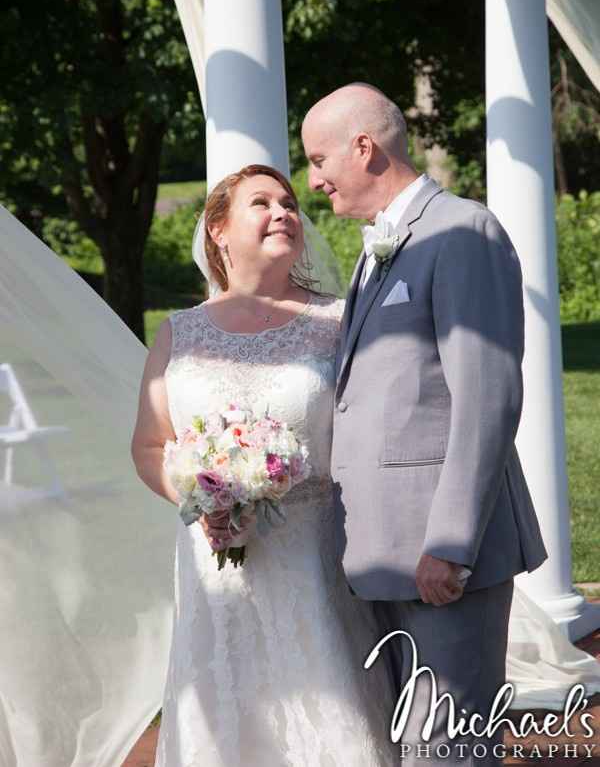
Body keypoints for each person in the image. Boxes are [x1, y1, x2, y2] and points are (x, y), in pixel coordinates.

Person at [302, 83, 549, 765]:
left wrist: (451, 543)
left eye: (320, 160)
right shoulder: (376, 247)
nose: (314, 180)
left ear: (364, 147)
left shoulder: (463, 232)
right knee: (408, 743)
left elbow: (488, 396)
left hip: (436, 557)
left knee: (449, 749)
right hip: (379, 554)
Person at [131, 164, 396, 767]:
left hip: (316, 558)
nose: (283, 213)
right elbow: (149, 445)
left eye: (289, 204)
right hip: (215, 568)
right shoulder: (179, 333)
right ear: (218, 230)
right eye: (262, 203)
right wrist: (202, 500)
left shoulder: (339, 322)